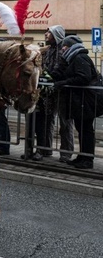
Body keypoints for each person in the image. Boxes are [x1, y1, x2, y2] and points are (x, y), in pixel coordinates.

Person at [51, 35, 102, 169]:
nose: (62, 49)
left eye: (64, 47)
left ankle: (87, 159)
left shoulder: (80, 58)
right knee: (82, 129)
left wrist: (63, 83)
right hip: (80, 101)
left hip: (86, 101)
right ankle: (82, 156)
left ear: (69, 46)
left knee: (86, 130)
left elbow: (83, 77)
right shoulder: (73, 58)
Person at [28, 25, 73, 161]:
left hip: (62, 91)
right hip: (48, 92)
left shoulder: (64, 50)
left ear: (56, 34)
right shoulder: (48, 50)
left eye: (49, 32)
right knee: (46, 122)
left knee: (65, 124)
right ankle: (45, 149)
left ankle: (66, 153)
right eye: (46, 32)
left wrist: (51, 77)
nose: (46, 34)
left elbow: (61, 70)